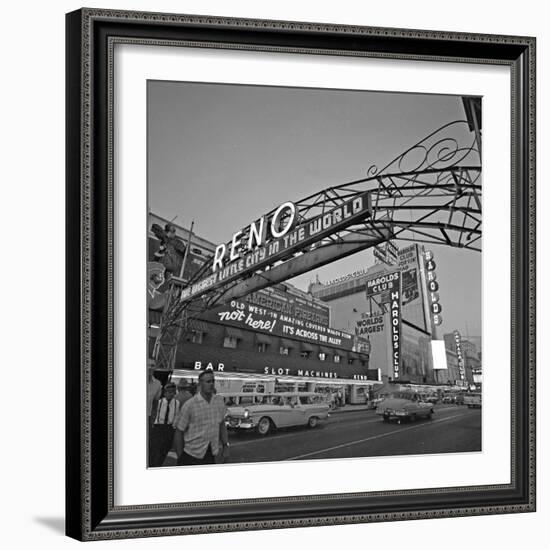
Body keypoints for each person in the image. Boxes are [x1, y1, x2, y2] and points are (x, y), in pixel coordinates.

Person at [174, 370, 229, 466]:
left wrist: (225, 446)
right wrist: (180, 457)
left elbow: (222, 424)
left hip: (211, 453)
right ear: (200, 384)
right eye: (208, 382)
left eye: (213, 381)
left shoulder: (219, 401)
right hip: (191, 455)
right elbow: (179, 431)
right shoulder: (190, 405)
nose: (211, 384)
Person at [149, 382, 180, 467]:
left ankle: (158, 465)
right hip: (158, 428)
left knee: (164, 450)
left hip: (169, 429)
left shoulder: (177, 403)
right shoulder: (159, 402)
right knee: (154, 450)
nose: (170, 394)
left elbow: (177, 415)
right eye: (168, 392)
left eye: (172, 392)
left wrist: (173, 427)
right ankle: (152, 465)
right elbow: (153, 414)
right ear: (165, 393)